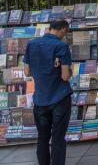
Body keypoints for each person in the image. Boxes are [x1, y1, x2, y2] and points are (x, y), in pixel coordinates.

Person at [23, 20, 72, 165]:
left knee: (43, 138)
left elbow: (27, 71)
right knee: (57, 138)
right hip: (59, 98)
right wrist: (68, 70)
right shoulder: (61, 46)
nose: (65, 36)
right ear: (63, 30)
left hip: (40, 99)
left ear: (49, 28)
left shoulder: (31, 44)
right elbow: (65, 76)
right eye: (66, 33)